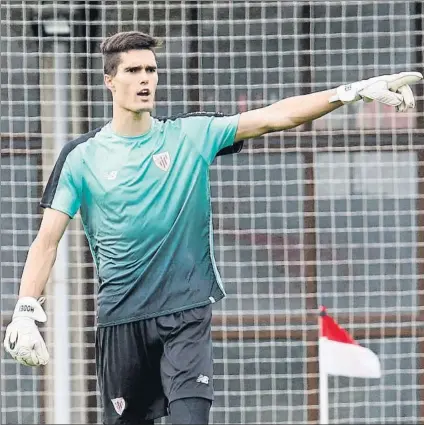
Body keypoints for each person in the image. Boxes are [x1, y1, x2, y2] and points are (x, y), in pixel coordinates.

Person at [3, 30, 421, 424]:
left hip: (186, 312)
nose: (145, 79)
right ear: (110, 80)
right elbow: (47, 240)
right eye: (133, 70)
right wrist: (25, 311)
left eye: (151, 69)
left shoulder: (190, 135)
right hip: (122, 319)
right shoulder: (81, 157)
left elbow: (274, 117)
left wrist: (350, 93)